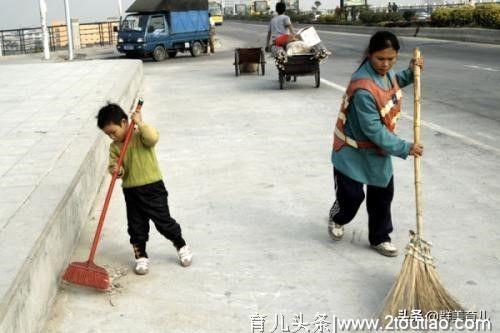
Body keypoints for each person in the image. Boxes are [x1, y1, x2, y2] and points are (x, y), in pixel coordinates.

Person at [328, 31, 424, 257]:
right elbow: (373, 129)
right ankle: (337, 217)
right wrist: (405, 147)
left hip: (377, 152)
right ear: (370, 55)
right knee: (351, 198)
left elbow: (394, 82)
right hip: (351, 151)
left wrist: (412, 73)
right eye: (381, 59)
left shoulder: (385, 73)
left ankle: (380, 237)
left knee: (382, 196)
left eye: (391, 59)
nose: (386, 64)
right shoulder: (362, 88)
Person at [97, 103, 193, 275]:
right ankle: (141, 256)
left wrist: (140, 123)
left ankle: (181, 244)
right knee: (136, 226)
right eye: (108, 134)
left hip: (153, 188)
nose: (111, 136)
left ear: (124, 122)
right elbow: (114, 165)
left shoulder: (140, 135)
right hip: (131, 191)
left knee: (163, 222)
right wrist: (116, 170)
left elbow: (153, 138)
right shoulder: (115, 147)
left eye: (113, 131)